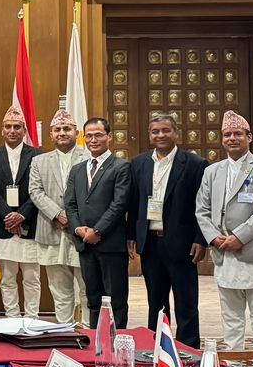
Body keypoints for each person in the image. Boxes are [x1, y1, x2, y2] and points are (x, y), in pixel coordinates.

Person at [195, 111, 253, 350]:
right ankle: (235, 362)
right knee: (231, 317)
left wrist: (239, 237)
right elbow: (201, 210)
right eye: (227, 134)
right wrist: (214, 238)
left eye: (237, 134)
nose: (232, 138)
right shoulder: (212, 171)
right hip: (224, 253)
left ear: (249, 137)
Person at [126, 113, 207, 346]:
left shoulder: (195, 164)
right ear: (149, 135)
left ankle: (188, 350)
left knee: (186, 303)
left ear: (176, 133)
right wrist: (131, 234)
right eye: (155, 131)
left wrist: (201, 239)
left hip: (182, 244)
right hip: (150, 243)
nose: (160, 135)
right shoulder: (139, 163)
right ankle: (157, 347)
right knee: (156, 302)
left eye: (165, 130)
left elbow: (203, 206)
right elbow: (134, 202)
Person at [63, 117, 132, 327]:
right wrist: (78, 229)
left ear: (109, 137)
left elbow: (119, 204)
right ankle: (96, 341)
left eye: (98, 135)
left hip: (110, 244)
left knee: (115, 300)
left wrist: (98, 231)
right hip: (85, 244)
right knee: (93, 299)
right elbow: (70, 203)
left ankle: (116, 342)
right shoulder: (77, 169)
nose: (93, 140)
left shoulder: (121, 167)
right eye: (89, 136)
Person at [28, 109, 88, 324]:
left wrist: (73, 218)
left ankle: (88, 333)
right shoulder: (39, 161)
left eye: (67, 129)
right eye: (57, 129)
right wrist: (56, 214)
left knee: (87, 289)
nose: (62, 133)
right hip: (51, 231)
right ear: (51, 134)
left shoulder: (88, 157)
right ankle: (65, 331)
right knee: (60, 290)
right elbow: (35, 191)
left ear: (76, 133)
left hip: (81, 232)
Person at [0, 105, 42, 318]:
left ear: (24, 130)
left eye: (17, 127)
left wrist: (22, 215)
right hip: (4, 226)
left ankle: (32, 318)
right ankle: (13, 318)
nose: (12, 130)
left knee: (31, 277)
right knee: (7, 278)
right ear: (2, 130)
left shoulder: (38, 155)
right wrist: (8, 216)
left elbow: (39, 190)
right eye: (8, 126)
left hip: (29, 225)